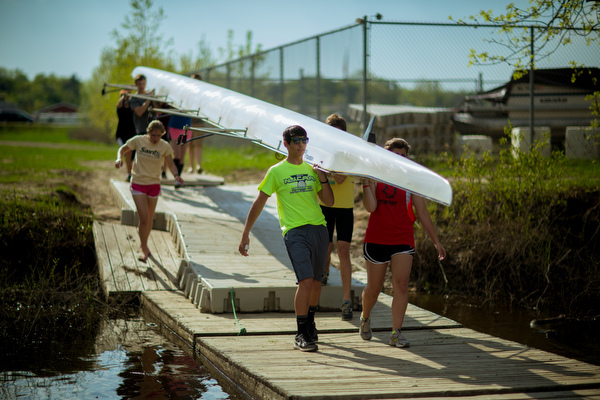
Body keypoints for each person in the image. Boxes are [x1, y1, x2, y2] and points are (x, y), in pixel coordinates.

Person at [238, 125, 334, 352]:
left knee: (317, 282)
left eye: (304, 140)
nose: (301, 145)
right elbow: (259, 203)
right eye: (296, 140)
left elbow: (328, 201)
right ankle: (301, 333)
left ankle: (310, 322)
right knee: (306, 280)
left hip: (319, 228)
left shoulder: (313, 169)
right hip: (294, 231)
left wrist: (322, 178)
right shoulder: (276, 171)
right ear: (287, 144)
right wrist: (245, 233)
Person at [359, 138, 446, 348]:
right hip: (377, 238)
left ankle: (396, 333)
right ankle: (365, 318)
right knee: (374, 289)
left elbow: (422, 212)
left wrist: (436, 242)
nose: (399, 158)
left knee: (401, 285)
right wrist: (365, 183)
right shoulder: (374, 175)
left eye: (403, 155)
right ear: (387, 154)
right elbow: (371, 207)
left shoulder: (411, 180)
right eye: (395, 154)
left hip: (402, 239)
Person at [115, 120, 184, 263]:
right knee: (144, 218)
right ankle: (144, 248)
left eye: (159, 135)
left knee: (149, 220)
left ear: (162, 135)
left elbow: (170, 163)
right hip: (138, 184)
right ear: (148, 132)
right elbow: (123, 149)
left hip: (154, 185)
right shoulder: (138, 141)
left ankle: (143, 243)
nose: (155, 138)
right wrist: (119, 158)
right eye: (153, 135)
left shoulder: (164, 146)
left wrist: (176, 175)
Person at [319, 114, 355, 321]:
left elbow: (340, 179)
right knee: (325, 244)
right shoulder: (320, 149)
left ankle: (346, 301)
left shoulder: (347, 152)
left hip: (344, 207)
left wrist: (326, 171)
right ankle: (323, 272)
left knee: (343, 249)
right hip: (324, 204)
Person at [115, 89, 137, 182]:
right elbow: (119, 104)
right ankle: (129, 174)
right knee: (128, 152)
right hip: (122, 133)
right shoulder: (120, 107)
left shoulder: (132, 107)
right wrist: (125, 95)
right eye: (124, 96)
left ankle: (132, 173)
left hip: (132, 132)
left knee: (133, 155)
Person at [187, 73, 205, 174]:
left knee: (198, 144)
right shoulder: (188, 94)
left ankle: (198, 165)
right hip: (188, 123)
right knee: (190, 145)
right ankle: (191, 166)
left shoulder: (203, 95)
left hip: (199, 123)